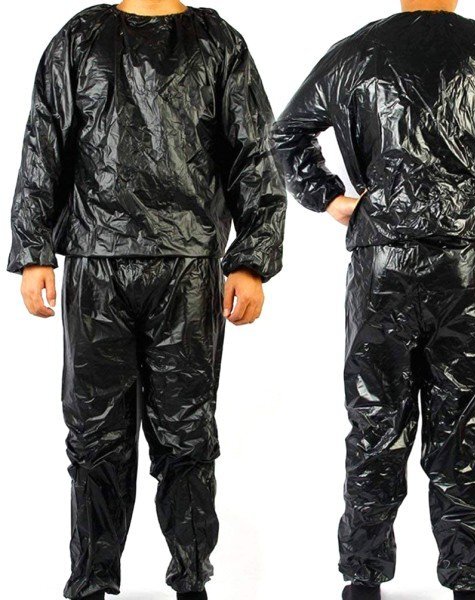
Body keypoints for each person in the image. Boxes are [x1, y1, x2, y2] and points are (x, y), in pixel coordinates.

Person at [271, 0, 475, 599]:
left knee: (376, 418)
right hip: (464, 258)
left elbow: (287, 133)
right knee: (462, 423)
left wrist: (331, 198)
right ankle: (469, 582)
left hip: (383, 258)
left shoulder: (356, 53)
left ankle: (363, 579)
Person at [7, 1, 286, 599]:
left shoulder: (216, 41)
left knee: (187, 432)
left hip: (187, 266)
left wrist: (252, 259)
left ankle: (191, 579)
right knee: (94, 434)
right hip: (97, 261)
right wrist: (34, 250)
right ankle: (91, 579)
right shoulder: (80, 38)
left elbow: (252, 150)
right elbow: (45, 142)